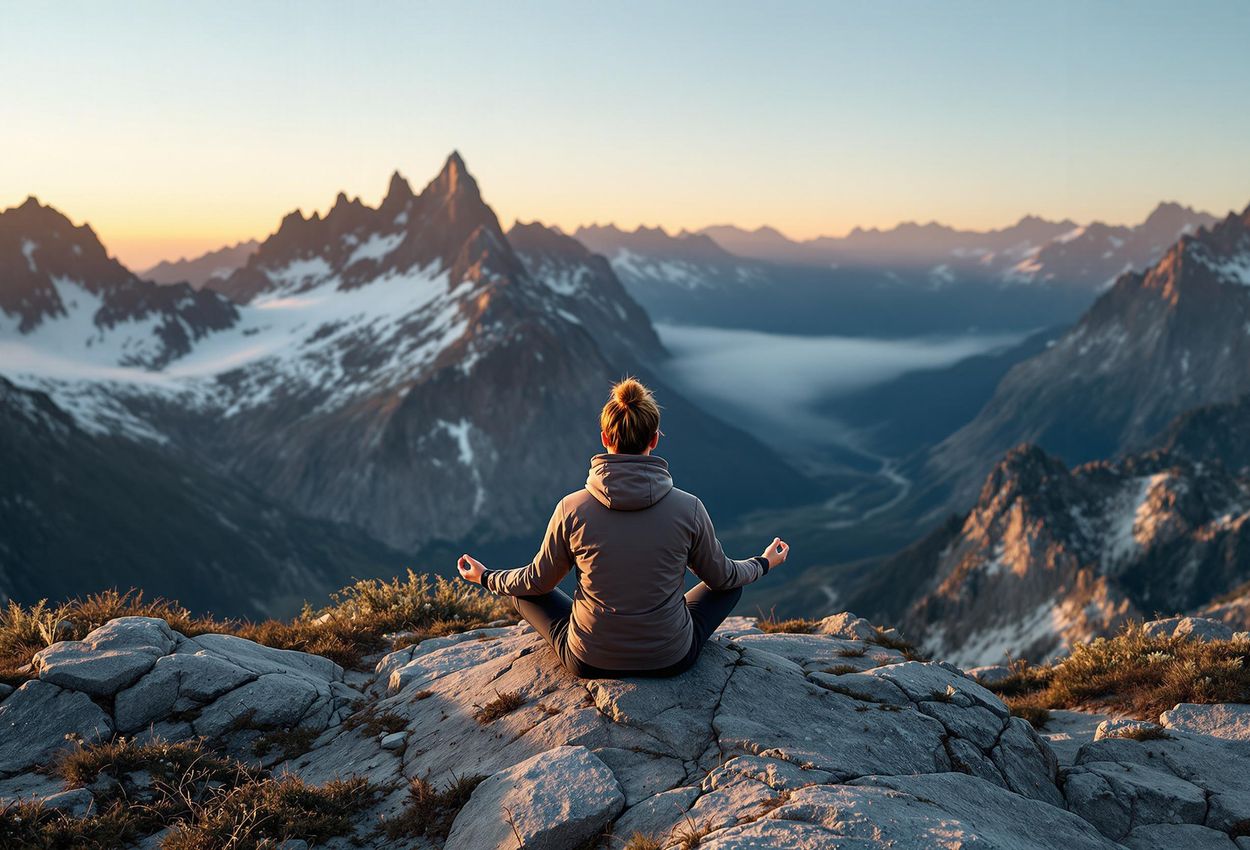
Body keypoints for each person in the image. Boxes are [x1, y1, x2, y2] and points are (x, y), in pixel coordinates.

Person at [455, 377, 789, 678]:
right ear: (654, 439)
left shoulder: (571, 508)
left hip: (589, 659)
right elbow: (724, 578)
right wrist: (764, 562)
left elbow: (536, 581)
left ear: (604, 438)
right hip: (670, 657)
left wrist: (485, 577)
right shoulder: (689, 507)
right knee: (732, 586)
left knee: (522, 592)